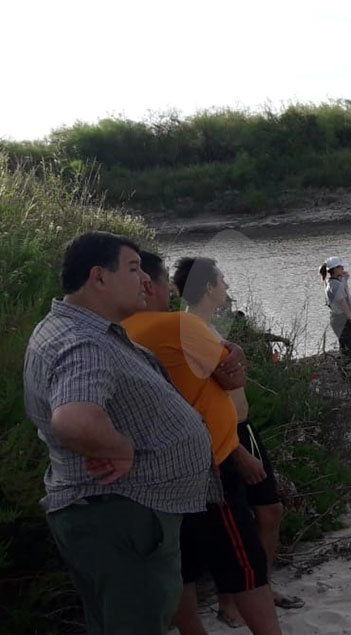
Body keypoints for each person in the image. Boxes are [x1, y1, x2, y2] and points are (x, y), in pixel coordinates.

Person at [23, 232, 214, 634]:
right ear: (98, 277)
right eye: (133, 269)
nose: (145, 280)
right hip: (123, 515)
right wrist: (120, 447)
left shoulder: (66, 327)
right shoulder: (83, 342)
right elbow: (74, 420)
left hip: (109, 515)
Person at [123, 254, 282, 635]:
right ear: (151, 284)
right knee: (242, 562)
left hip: (159, 467)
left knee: (183, 561)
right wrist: (233, 356)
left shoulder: (116, 330)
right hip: (210, 462)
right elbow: (231, 374)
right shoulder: (177, 325)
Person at [319, 256, 351, 385]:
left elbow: (343, 284)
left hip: (336, 319)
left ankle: (345, 374)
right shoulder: (336, 285)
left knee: (345, 347)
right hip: (343, 318)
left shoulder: (331, 282)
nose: (343, 269)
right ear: (335, 270)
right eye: (341, 267)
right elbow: (343, 302)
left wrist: (344, 277)